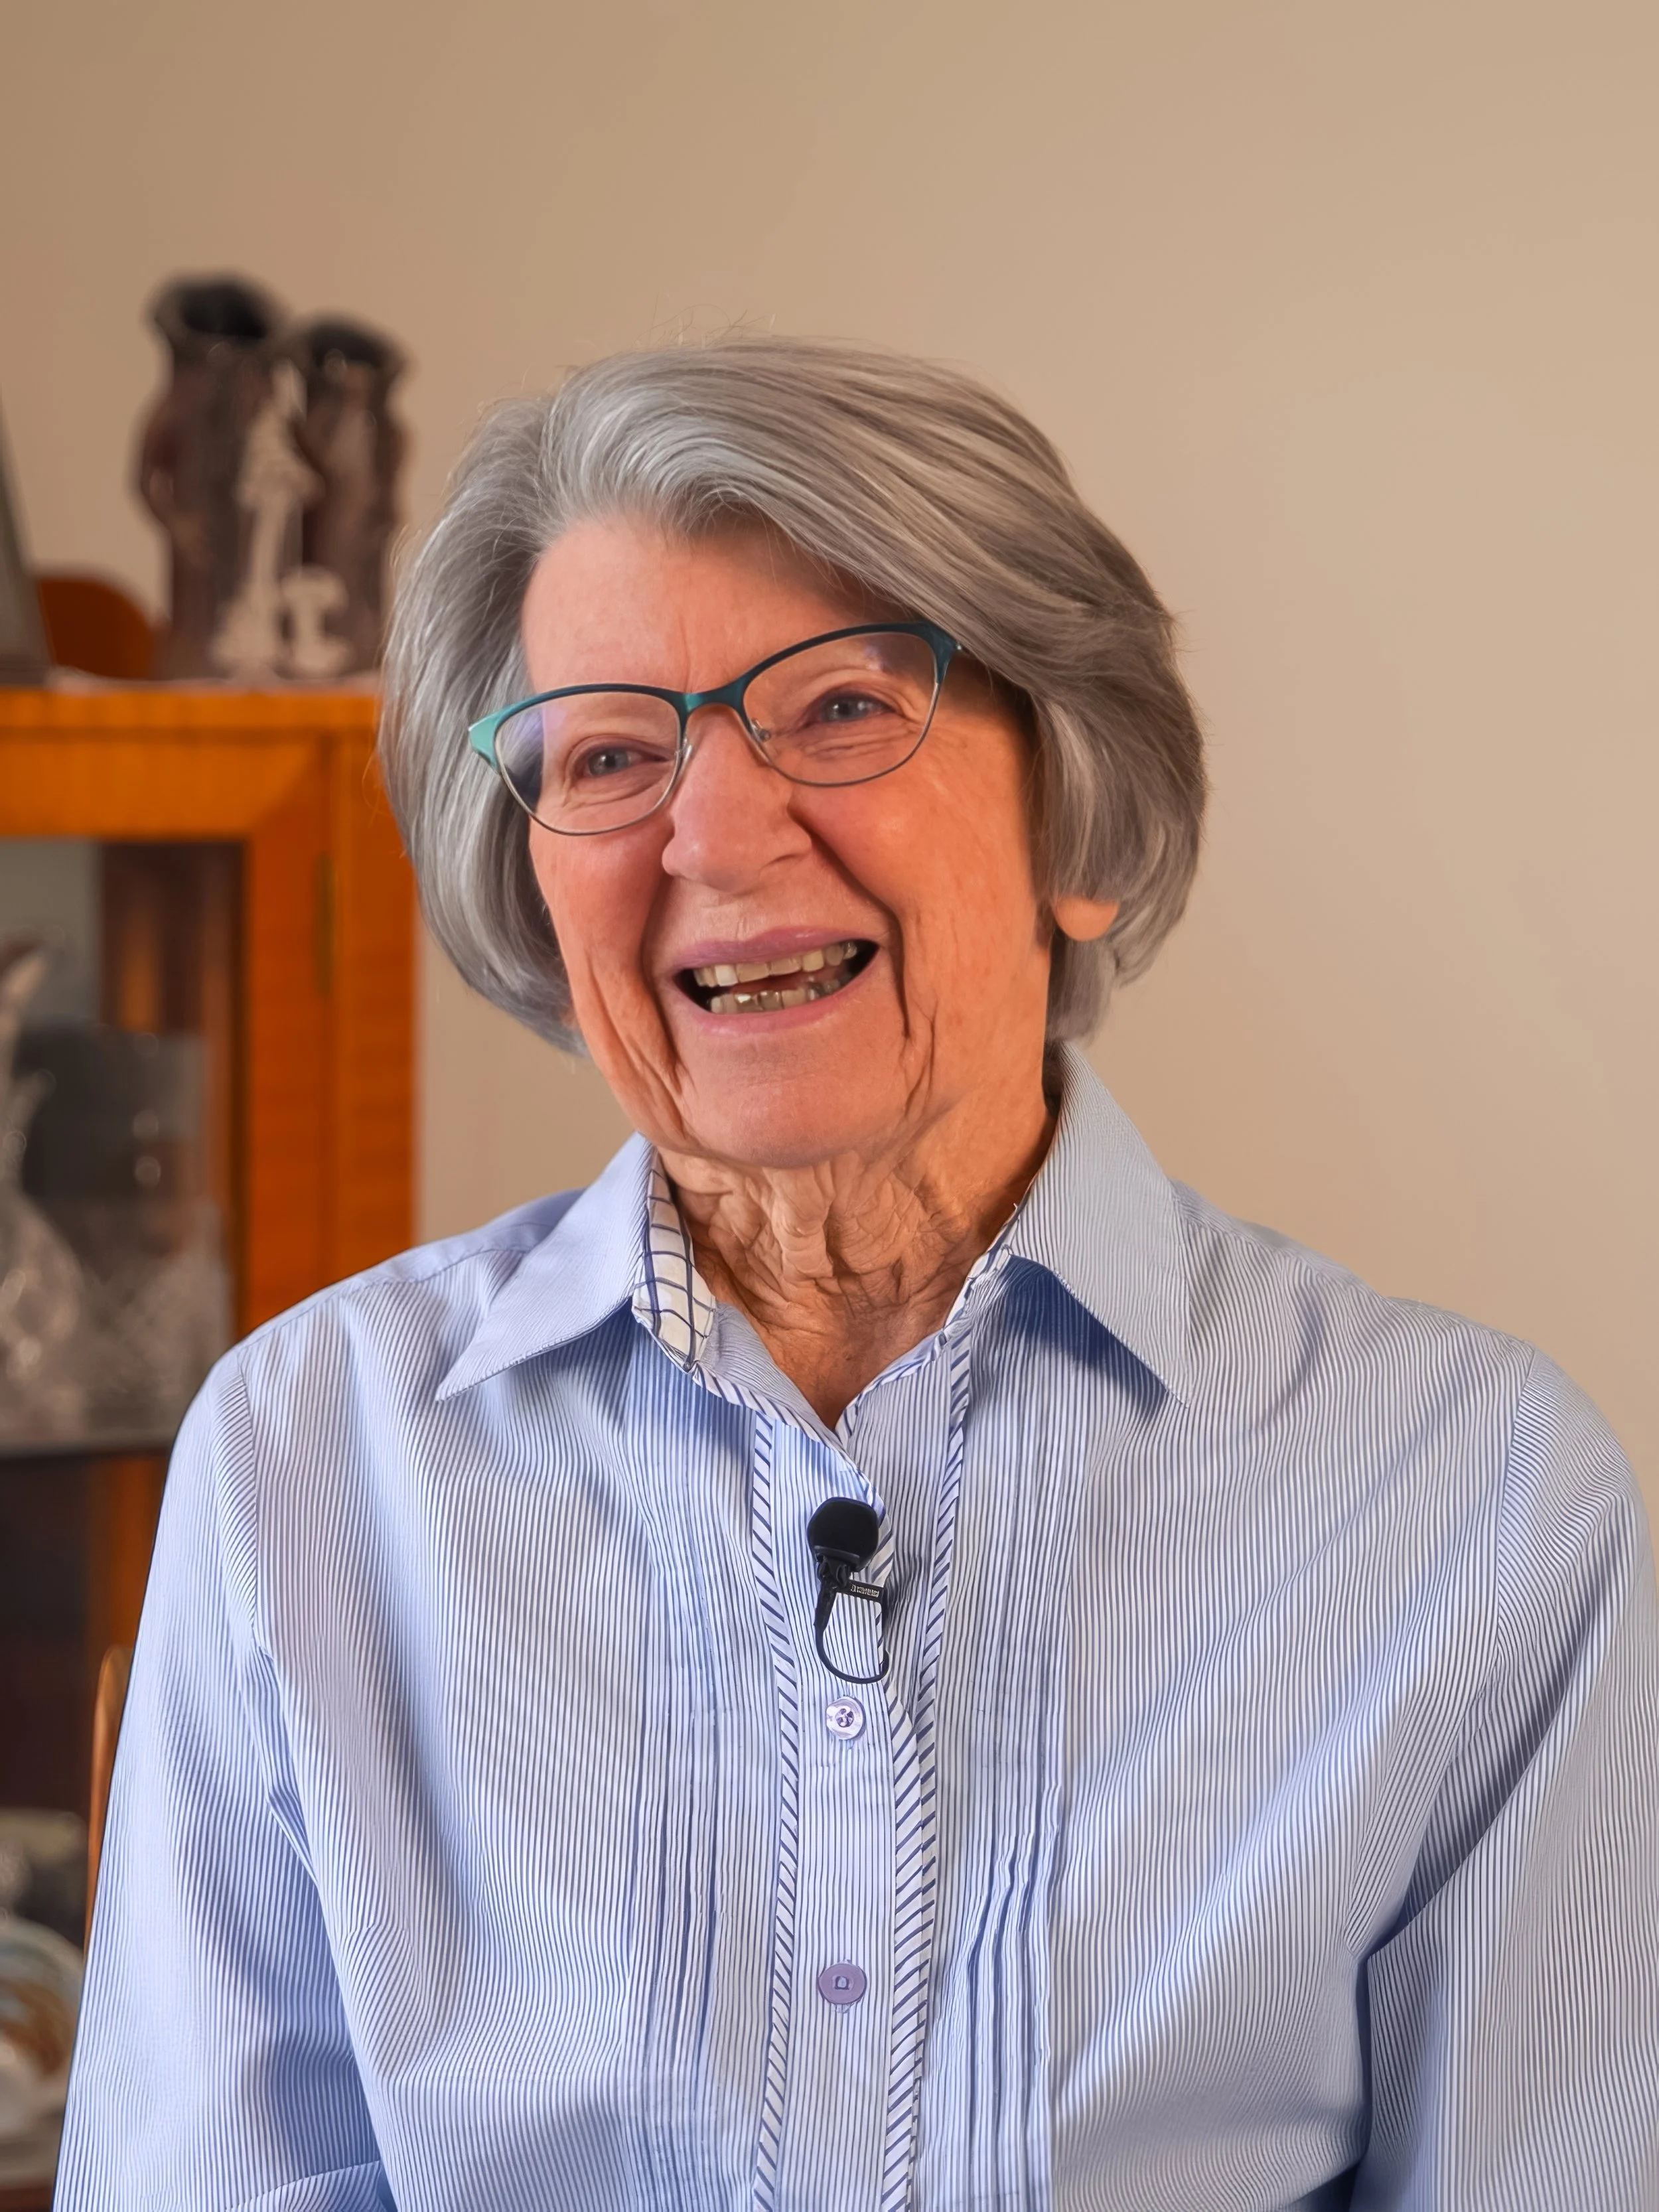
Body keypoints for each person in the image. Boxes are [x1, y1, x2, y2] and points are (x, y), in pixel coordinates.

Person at [58, 338, 1659, 2211]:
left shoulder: (1471, 1496)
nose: (715, 836)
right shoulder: (307, 1457)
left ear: (1072, 819)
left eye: (835, 709)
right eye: (608, 753)